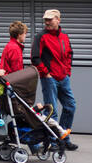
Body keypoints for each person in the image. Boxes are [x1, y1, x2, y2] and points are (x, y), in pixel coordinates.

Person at [32, 9, 77, 150]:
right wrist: (46, 73)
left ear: (58, 19)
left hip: (63, 77)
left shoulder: (64, 36)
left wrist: (67, 71)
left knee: (70, 106)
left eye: (50, 19)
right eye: (46, 19)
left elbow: (70, 53)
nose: (47, 22)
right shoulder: (41, 36)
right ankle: (53, 141)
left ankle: (63, 137)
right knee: (52, 111)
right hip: (49, 78)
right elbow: (35, 57)